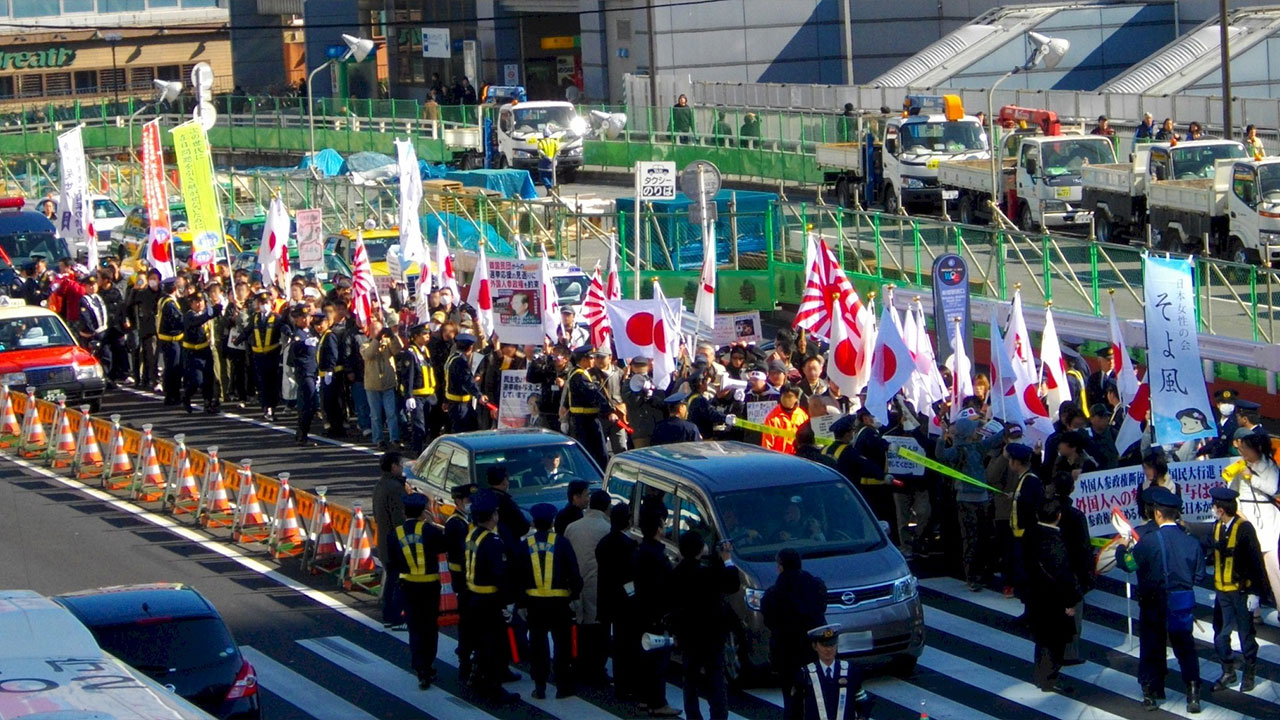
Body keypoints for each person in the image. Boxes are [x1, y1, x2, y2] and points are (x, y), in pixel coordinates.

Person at [1116, 487, 1204, 712]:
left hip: (1153, 601)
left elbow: (1129, 564)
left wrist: (1120, 549)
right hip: (1182, 600)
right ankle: (1193, 693)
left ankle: (1151, 692)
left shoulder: (1149, 541)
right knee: (1185, 647)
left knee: (1151, 646)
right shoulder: (1192, 542)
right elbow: (1199, 575)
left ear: (1157, 513)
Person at [670, 531, 739, 720]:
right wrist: (726, 559)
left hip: (688, 634)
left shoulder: (676, 573)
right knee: (715, 679)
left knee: (690, 679)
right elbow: (732, 584)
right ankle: (718, 716)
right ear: (701, 549)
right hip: (712, 634)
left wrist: (675, 632)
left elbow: (672, 606)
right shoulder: (707, 573)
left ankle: (693, 716)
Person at [518, 503, 582, 700]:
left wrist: (521, 603)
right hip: (559, 603)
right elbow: (574, 573)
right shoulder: (562, 543)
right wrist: (575, 596)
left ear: (534, 523)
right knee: (562, 645)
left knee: (538, 645)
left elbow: (517, 576)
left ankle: (540, 686)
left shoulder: (525, 545)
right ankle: (563, 686)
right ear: (553, 521)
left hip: (534, 603)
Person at [1204, 486, 1263, 693]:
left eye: (1214, 506)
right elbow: (1207, 543)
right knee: (1220, 634)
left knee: (1246, 635)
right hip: (1222, 592)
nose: (1212, 509)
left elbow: (1256, 562)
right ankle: (1228, 670)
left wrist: (1256, 592)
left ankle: (1249, 671)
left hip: (1241, 592)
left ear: (1221, 509)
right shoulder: (1217, 527)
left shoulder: (1244, 529)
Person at [463, 492, 519, 703]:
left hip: (473, 597)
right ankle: (493, 687)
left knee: (481, 641)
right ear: (492, 515)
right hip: (490, 600)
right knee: (494, 644)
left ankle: (477, 677)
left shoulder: (472, 535)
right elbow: (499, 573)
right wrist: (507, 601)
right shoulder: (493, 541)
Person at [387, 493, 445, 689]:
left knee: (414, 627)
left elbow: (391, 563)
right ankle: (427, 666)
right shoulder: (429, 531)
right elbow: (444, 546)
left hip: (407, 586)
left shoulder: (395, 534)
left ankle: (418, 665)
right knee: (430, 627)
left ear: (404, 512)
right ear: (423, 512)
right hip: (429, 586)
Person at [762, 548, 828, 720]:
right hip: (813, 648)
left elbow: (769, 620)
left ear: (781, 566)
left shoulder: (773, 594)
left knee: (791, 697)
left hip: (787, 652)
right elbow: (821, 609)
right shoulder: (816, 586)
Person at [1028, 499, 1082, 694]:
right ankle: (1050, 678)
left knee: (1041, 639)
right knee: (1055, 641)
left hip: (1035, 596)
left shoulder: (1030, 534)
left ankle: (1040, 675)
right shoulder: (1055, 542)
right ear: (1058, 517)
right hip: (1055, 599)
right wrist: (1071, 601)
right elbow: (1065, 575)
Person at [632, 506, 680, 717]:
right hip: (656, 614)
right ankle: (658, 702)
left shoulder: (640, 551)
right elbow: (666, 586)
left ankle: (645, 699)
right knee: (658, 661)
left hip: (642, 611)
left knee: (645, 657)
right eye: (662, 524)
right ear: (657, 529)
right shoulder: (657, 556)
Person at [936, 416, 993, 591]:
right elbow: (941, 456)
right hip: (966, 500)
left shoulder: (978, 447)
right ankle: (972, 575)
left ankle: (979, 573)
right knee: (971, 538)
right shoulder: (958, 450)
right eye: (973, 429)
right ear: (968, 433)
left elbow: (996, 439)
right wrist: (941, 436)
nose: (976, 431)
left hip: (980, 498)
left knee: (980, 537)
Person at [564, 489, 612, 687]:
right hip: (597, 584)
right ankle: (596, 670)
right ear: (607, 508)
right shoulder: (607, 528)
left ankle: (577, 664)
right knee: (599, 629)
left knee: (578, 626)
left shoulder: (572, 527)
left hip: (575, 583)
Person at [1229, 433, 1280, 614]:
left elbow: (1273, 489)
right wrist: (1239, 513)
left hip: (1268, 519)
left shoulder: (1270, 466)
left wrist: (1251, 477)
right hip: (1247, 518)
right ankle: (1254, 607)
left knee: (1272, 564)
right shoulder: (1239, 466)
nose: (1242, 452)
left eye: (1246, 448)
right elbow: (1233, 493)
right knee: (1250, 564)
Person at [596, 502, 639, 703]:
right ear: (627, 521)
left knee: (614, 643)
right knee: (627, 644)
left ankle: (619, 684)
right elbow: (631, 576)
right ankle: (628, 684)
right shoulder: (629, 546)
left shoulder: (603, 543)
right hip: (625, 601)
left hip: (606, 598)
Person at [1053, 473, 1093, 666]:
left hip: (1051, 569)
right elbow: (1085, 547)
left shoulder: (1047, 510)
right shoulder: (1076, 516)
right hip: (1072, 570)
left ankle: (1052, 653)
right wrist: (1088, 575)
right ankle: (1070, 653)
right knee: (1074, 615)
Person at [794, 624, 871, 720]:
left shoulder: (851, 671)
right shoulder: (805, 674)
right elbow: (796, 708)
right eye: (824, 645)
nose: (828, 649)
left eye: (832, 644)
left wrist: (862, 717)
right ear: (814, 646)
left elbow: (862, 701)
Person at [373, 451, 409, 626]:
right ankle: (394, 614)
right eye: (400, 465)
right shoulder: (394, 488)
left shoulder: (381, 485)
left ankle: (389, 612)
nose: (402, 468)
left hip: (383, 539)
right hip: (394, 542)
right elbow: (399, 520)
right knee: (398, 579)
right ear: (393, 466)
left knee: (392, 578)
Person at [566, 347, 616, 468]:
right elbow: (593, 394)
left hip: (583, 419)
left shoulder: (578, 373)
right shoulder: (580, 376)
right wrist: (608, 411)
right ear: (583, 360)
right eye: (591, 358)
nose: (593, 360)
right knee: (597, 453)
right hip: (586, 421)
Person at [1007, 442, 1043, 603]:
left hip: (1026, 535)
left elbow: (1030, 505)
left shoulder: (1030, 480)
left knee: (1027, 572)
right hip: (1020, 534)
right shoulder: (1025, 479)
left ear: (1016, 462)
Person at [361, 318, 404, 450]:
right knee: (375, 415)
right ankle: (378, 439)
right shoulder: (365, 344)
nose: (377, 332)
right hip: (372, 385)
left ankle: (394, 438)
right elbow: (368, 355)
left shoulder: (388, 343)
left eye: (379, 329)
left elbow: (399, 349)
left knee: (391, 413)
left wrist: (392, 336)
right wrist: (376, 340)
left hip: (388, 383)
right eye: (374, 329)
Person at [247, 290, 286, 420]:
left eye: (266, 303)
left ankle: (272, 407)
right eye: (262, 303)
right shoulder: (255, 317)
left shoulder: (276, 318)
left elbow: (283, 328)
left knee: (272, 382)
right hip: (258, 355)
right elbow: (248, 330)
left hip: (272, 354)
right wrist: (238, 339)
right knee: (262, 382)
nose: (264, 305)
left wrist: (290, 333)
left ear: (271, 303)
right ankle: (265, 406)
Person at [399, 323, 437, 454]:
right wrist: (409, 396)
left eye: (428, 334)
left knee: (427, 424)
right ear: (415, 336)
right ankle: (417, 451)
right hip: (417, 395)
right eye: (424, 334)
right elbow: (408, 376)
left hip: (429, 395)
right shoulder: (410, 353)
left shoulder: (425, 351)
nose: (427, 336)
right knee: (418, 425)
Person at [181, 292, 220, 414]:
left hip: (204, 349)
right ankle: (186, 396)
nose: (199, 304)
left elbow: (214, 313)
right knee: (196, 380)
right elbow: (197, 321)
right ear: (191, 304)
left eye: (201, 301)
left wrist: (218, 308)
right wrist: (210, 313)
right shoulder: (189, 316)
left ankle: (208, 403)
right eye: (196, 302)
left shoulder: (205, 314)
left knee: (209, 378)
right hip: (192, 351)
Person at [290, 308, 322, 446]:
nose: (305, 319)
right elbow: (295, 348)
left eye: (306, 317)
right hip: (304, 373)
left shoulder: (311, 332)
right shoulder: (297, 334)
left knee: (313, 404)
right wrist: (303, 344)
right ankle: (302, 434)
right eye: (301, 317)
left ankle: (302, 432)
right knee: (308, 402)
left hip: (313, 371)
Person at [445, 333, 485, 433]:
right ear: (470, 347)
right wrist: (479, 395)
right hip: (460, 402)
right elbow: (468, 380)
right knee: (461, 430)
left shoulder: (452, 358)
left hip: (451, 401)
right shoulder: (461, 362)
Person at [156, 277, 185, 405]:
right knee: (174, 369)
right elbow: (178, 320)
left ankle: (171, 394)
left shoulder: (163, 300)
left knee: (170, 368)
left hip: (165, 340)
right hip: (172, 340)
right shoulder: (170, 304)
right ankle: (173, 395)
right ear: (175, 288)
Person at [761, 384, 809, 454]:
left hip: (798, 456)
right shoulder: (773, 417)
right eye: (784, 396)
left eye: (790, 396)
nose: (786, 399)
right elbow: (767, 443)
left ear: (796, 398)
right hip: (779, 457)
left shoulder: (802, 415)